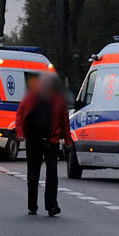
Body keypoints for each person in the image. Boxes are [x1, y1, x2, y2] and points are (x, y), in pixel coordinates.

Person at [15, 74, 73, 217]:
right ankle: (32, 206)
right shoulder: (30, 98)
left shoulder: (58, 100)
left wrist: (68, 140)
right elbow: (20, 115)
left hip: (51, 141)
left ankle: (51, 206)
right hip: (33, 141)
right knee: (33, 177)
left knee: (52, 175)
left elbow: (65, 121)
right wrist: (20, 132)